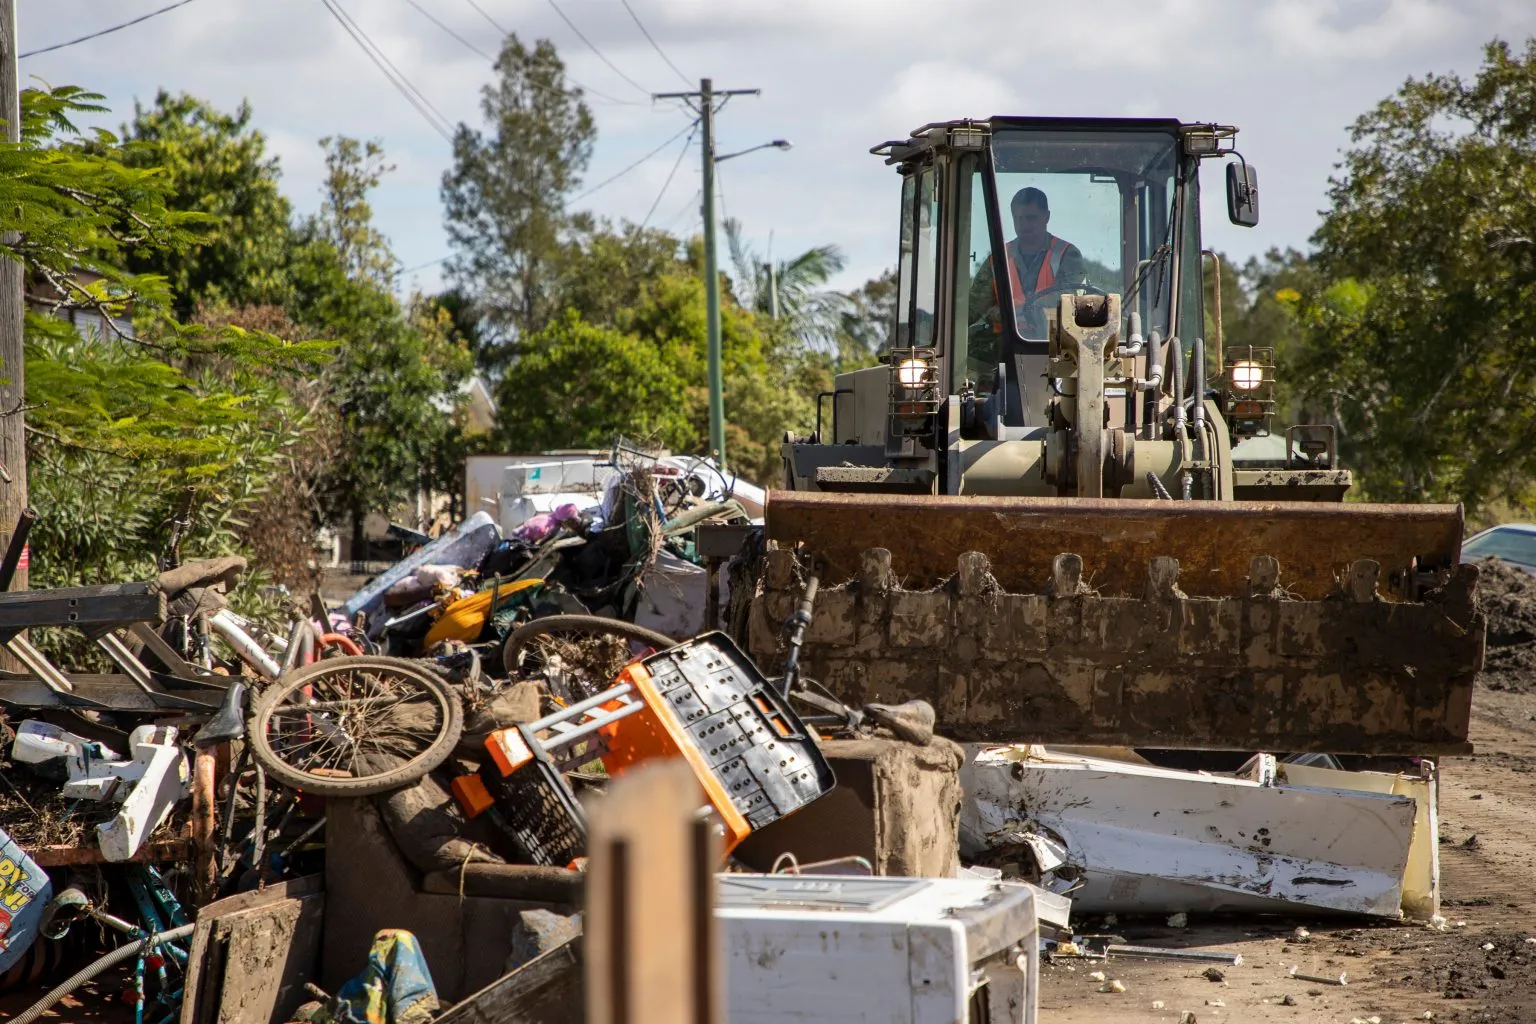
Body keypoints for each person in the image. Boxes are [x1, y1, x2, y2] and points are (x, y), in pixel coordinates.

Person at [968, 186, 1085, 339]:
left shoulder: (1067, 255)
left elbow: (1068, 300)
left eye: (1031, 218)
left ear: (1047, 216)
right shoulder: (998, 258)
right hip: (1002, 347)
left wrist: (1012, 310)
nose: (1023, 224)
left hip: (1051, 346)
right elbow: (973, 307)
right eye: (1018, 218)